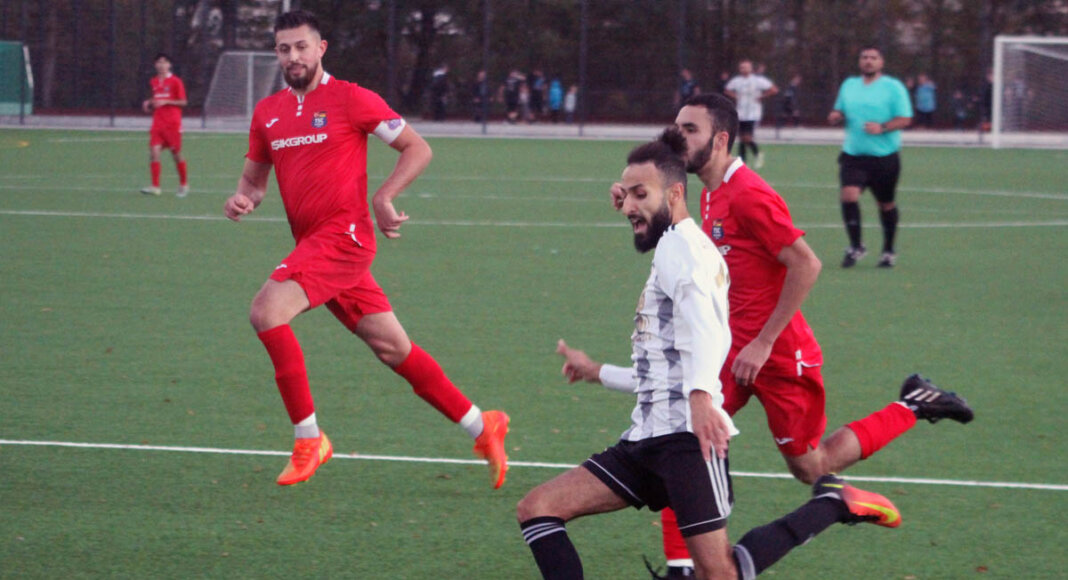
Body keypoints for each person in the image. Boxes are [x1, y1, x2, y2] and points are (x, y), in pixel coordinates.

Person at [606, 93, 973, 579]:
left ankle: (913, 405)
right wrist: (629, 192)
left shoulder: (749, 193)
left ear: (719, 140)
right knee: (684, 435)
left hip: (779, 356)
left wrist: (762, 341)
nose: (679, 136)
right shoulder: (705, 187)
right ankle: (682, 568)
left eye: (689, 129)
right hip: (731, 352)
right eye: (677, 126)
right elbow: (661, 194)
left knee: (811, 467)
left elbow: (807, 263)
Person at [520, 129, 904, 580]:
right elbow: (663, 369)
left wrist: (703, 396)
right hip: (645, 440)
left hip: (688, 442)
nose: (627, 206)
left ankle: (830, 505)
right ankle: (831, 502)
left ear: (676, 193)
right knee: (538, 509)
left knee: (719, 575)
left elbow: (710, 334)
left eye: (639, 196)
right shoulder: (672, 244)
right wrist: (596, 371)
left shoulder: (687, 254)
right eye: (626, 196)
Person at [222, 10, 510, 489]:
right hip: (316, 246)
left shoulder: (351, 98)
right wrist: (242, 200)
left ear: (321, 48)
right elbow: (253, 183)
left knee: (267, 311)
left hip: (343, 239)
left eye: (301, 46)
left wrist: (384, 196)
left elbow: (418, 148)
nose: (293, 56)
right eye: (283, 48)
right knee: (392, 347)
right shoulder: (267, 112)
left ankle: (309, 439)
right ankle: (483, 425)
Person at [828, 46, 913, 268]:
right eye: (864, 57)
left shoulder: (893, 87)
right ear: (860, 62)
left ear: (881, 63)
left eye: (873, 58)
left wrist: (883, 127)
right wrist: (836, 116)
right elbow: (840, 111)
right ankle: (856, 246)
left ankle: (888, 250)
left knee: (885, 204)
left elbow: (905, 118)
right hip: (853, 154)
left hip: (884, 157)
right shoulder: (849, 85)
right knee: (849, 196)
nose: (868, 61)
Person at [140, 53, 189, 197]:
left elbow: (183, 102)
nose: (161, 65)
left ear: (169, 65)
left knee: (176, 154)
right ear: (155, 65)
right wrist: (149, 102)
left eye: (165, 62)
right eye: (159, 62)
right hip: (158, 123)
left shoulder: (175, 82)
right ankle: (155, 186)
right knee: (154, 152)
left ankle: (184, 184)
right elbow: (157, 98)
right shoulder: (154, 81)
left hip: (172, 124)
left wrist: (167, 102)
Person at [724, 60, 777, 169]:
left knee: (747, 137)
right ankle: (742, 162)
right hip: (740, 112)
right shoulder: (737, 81)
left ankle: (758, 153)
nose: (744, 69)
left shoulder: (757, 80)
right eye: (742, 67)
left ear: (751, 68)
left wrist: (762, 97)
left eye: (746, 67)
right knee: (741, 138)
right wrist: (735, 96)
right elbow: (727, 90)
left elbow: (773, 89)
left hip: (753, 113)